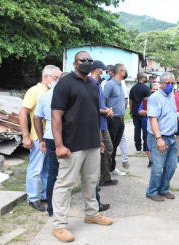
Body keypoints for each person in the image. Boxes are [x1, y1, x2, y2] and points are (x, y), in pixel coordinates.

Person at [51, 51, 112, 242]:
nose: (86, 62)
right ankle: (59, 225)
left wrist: (99, 139)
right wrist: (59, 145)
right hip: (71, 145)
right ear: (75, 63)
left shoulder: (93, 85)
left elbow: (95, 114)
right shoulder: (65, 83)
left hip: (92, 143)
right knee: (65, 184)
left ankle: (92, 214)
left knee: (91, 181)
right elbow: (56, 116)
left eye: (89, 60)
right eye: (82, 60)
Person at [34, 71, 110, 217]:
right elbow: (54, 118)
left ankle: (56, 210)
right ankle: (58, 218)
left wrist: (42, 139)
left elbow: (93, 116)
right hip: (65, 141)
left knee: (61, 176)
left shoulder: (86, 90)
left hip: (69, 140)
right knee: (63, 180)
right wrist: (56, 144)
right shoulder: (59, 92)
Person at [19, 65, 61, 212]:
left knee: (47, 168)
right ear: (46, 77)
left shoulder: (51, 92)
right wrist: (26, 136)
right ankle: (32, 197)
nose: (58, 80)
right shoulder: (35, 91)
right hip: (38, 137)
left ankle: (45, 195)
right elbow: (23, 113)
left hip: (49, 137)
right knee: (35, 168)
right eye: (56, 78)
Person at [145, 72, 179, 202]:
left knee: (172, 166)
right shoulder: (155, 97)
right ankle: (152, 191)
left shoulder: (171, 97)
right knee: (158, 167)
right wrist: (159, 139)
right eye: (167, 83)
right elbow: (153, 120)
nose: (170, 86)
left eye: (172, 83)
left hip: (171, 137)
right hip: (159, 138)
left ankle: (164, 189)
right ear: (161, 84)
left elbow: (171, 114)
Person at [89, 61, 117, 186]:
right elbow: (90, 107)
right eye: (103, 70)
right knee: (101, 150)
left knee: (108, 149)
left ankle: (104, 177)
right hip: (96, 124)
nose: (106, 73)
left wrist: (106, 109)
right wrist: (105, 111)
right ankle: (99, 179)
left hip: (103, 123)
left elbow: (99, 104)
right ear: (97, 70)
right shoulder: (90, 84)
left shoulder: (98, 84)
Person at [104, 64, 127, 176]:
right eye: (125, 71)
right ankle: (106, 171)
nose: (126, 73)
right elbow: (103, 101)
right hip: (112, 120)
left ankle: (112, 168)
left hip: (120, 120)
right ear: (120, 72)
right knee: (110, 146)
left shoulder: (120, 84)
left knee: (115, 145)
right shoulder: (110, 84)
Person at [138, 83, 159, 168]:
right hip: (146, 122)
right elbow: (140, 111)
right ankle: (150, 161)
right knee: (148, 142)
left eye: (157, 89)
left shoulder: (162, 99)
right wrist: (151, 113)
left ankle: (158, 160)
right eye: (153, 89)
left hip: (159, 124)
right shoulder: (146, 99)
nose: (155, 91)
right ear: (151, 90)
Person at [129, 72, 151, 155]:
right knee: (145, 130)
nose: (146, 79)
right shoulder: (146, 88)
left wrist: (131, 111)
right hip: (143, 111)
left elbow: (130, 101)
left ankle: (138, 148)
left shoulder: (133, 88)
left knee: (137, 130)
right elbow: (148, 100)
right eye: (145, 77)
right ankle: (145, 148)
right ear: (142, 78)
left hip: (135, 110)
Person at [119, 75, 130, 169]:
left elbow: (126, 98)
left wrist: (123, 112)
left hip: (119, 116)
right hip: (107, 115)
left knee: (122, 138)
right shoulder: (104, 83)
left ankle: (124, 160)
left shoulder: (121, 83)